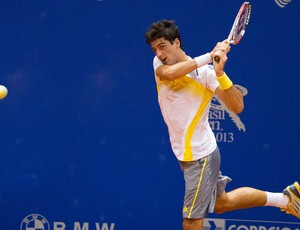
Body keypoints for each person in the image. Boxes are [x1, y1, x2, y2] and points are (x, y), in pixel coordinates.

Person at [145, 20, 300, 230]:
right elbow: (171, 74)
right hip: (190, 153)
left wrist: (219, 73)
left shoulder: (206, 75)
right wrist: (209, 56)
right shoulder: (160, 65)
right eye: (155, 49)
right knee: (222, 203)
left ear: (177, 43)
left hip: (200, 157)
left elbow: (237, 106)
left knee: (191, 223)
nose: (159, 54)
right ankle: (286, 199)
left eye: (162, 47)